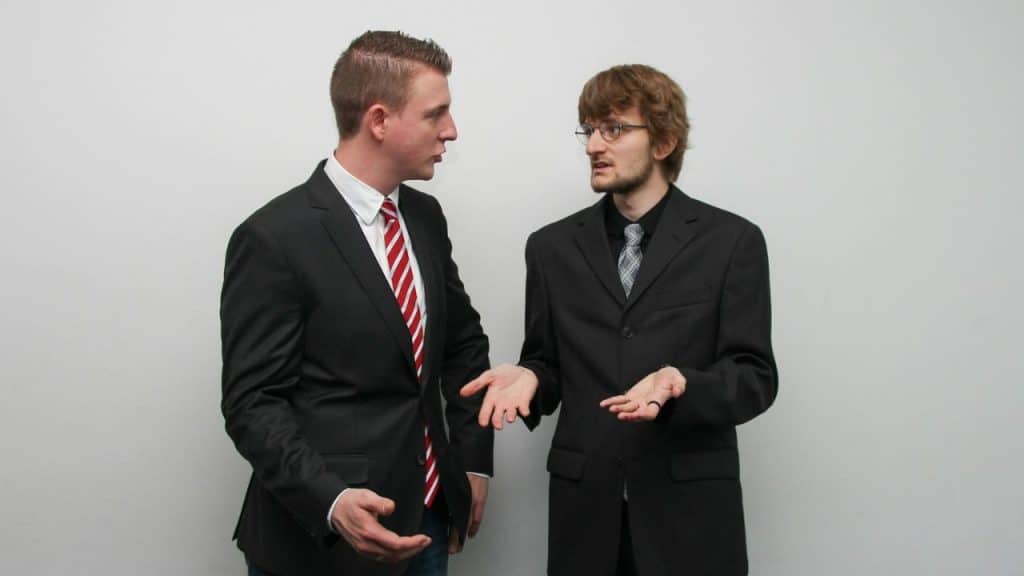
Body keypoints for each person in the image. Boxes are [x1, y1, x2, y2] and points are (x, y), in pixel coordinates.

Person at [461, 64, 777, 575]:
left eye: (614, 129)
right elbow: (548, 365)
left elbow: (755, 379)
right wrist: (530, 376)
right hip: (585, 516)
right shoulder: (551, 249)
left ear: (664, 141)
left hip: (690, 519)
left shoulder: (732, 242)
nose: (593, 146)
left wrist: (681, 384)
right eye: (589, 130)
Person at [221, 30, 492, 576]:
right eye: (435, 113)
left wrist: (475, 463)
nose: (452, 131)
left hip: (429, 521)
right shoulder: (274, 237)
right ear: (379, 120)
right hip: (318, 541)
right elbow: (253, 404)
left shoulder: (425, 219)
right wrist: (332, 500)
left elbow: (464, 346)